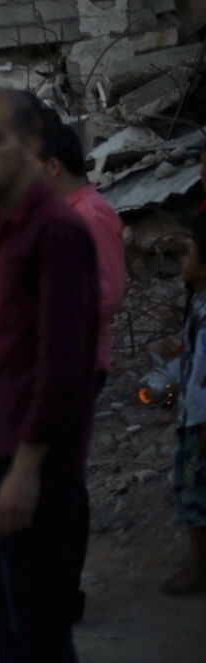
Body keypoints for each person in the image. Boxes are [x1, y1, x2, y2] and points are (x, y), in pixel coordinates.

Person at [0, 88, 98, 663]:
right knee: (7, 630)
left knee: (40, 636)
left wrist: (27, 464)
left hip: (31, 470)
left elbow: (62, 362)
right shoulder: (2, 229)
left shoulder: (58, 232)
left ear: (33, 145)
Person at [39, 109, 128, 620]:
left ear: (52, 165)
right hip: (51, 362)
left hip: (76, 364)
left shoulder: (90, 213)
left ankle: (65, 591)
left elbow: (108, 292)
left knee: (63, 480)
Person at [167, 214, 206, 596]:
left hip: (200, 424)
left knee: (195, 493)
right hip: (192, 417)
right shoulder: (198, 305)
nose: (183, 261)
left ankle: (198, 571)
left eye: (190, 254)